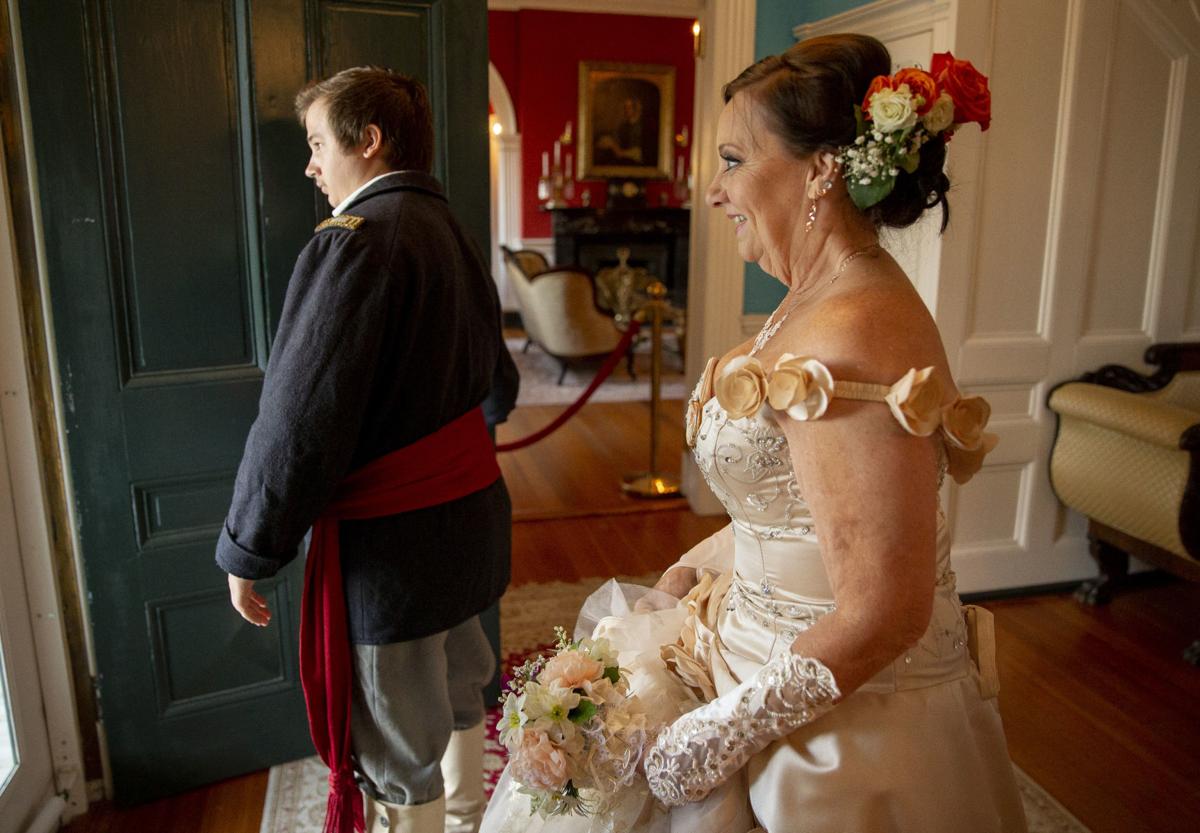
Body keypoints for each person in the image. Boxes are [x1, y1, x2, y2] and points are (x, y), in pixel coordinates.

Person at [482, 34, 1027, 833]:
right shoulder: (815, 297)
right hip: (745, 642)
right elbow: (792, 512)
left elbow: (887, 607)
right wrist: (685, 569)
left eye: (734, 159)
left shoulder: (856, 330)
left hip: (839, 733)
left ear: (821, 170)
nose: (713, 190)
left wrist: (716, 731)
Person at [216, 67, 518, 833]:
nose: (311, 166)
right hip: (468, 520)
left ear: (369, 140)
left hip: (397, 544)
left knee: (392, 739)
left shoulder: (357, 241)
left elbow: (297, 419)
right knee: (457, 689)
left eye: (317, 144)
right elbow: (501, 386)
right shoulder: (448, 224)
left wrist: (249, 547)